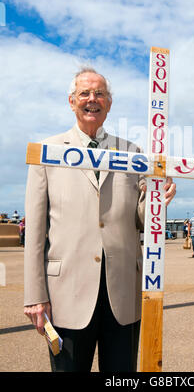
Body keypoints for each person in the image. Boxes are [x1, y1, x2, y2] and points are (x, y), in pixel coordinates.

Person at [23, 67, 176, 372]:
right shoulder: (47, 153)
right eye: (85, 93)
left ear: (109, 103)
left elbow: (141, 220)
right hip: (67, 295)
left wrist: (159, 199)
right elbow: (36, 232)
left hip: (124, 296)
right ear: (71, 101)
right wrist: (35, 296)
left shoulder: (133, 153)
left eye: (100, 94)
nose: (92, 99)